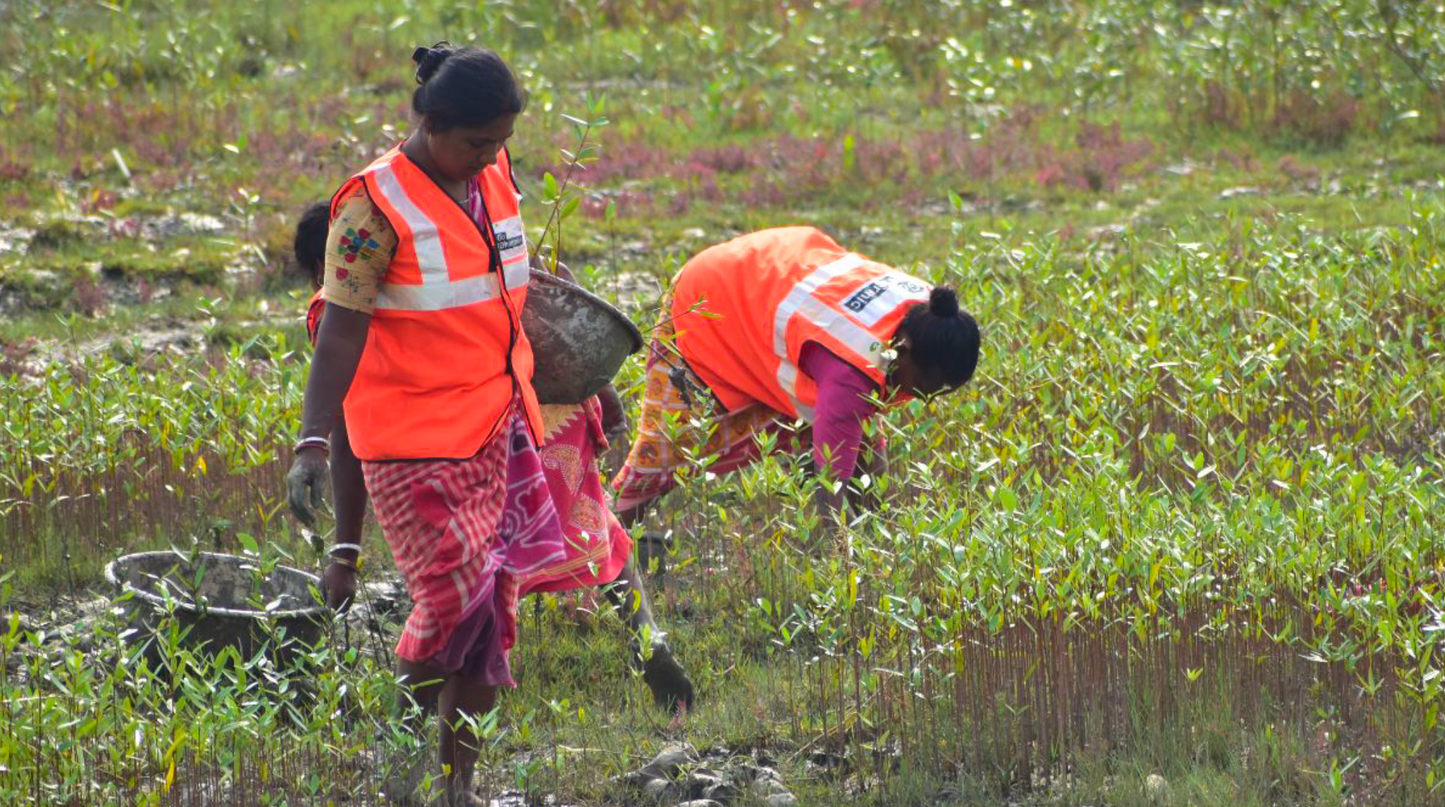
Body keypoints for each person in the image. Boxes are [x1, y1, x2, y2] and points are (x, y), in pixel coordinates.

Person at [284, 44, 687, 807]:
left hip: (500, 427)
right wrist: (310, 442)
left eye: (500, 142)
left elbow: (519, 291)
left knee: (490, 622)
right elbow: (339, 333)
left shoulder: (492, 178)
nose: (488, 157)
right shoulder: (369, 209)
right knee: (453, 608)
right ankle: (402, 770)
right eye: (474, 143)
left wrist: (585, 379)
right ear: (430, 123)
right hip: (411, 445)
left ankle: (456, 787)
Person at [613, 226, 979, 529]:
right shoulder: (852, 372)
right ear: (904, 348)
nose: (925, 399)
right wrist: (854, 578)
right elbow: (829, 493)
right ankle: (601, 552)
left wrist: (883, 547)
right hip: (711, 300)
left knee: (856, 448)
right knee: (664, 455)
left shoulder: (930, 314)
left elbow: (865, 447)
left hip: (773, 275)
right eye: (925, 389)